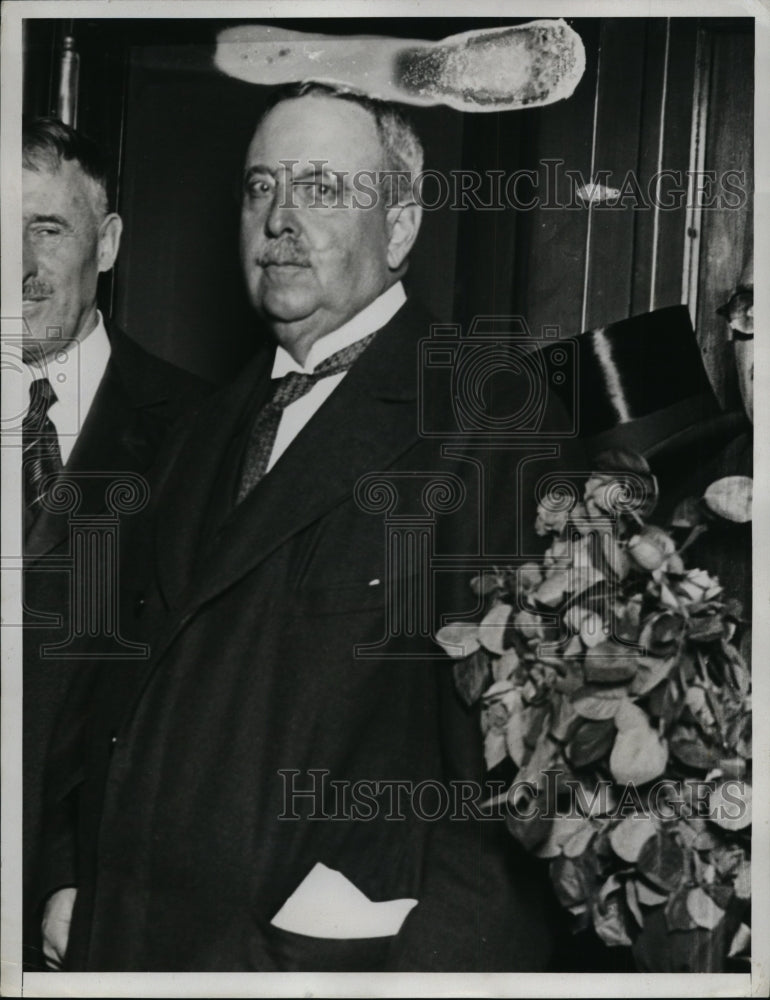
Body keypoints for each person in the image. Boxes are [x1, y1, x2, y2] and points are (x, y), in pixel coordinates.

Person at [40, 84, 581, 972]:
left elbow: (511, 797)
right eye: (262, 187)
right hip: (122, 948)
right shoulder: (193, 431)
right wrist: (65, 877)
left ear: (400, 228)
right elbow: (104, 680)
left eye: (324, 188)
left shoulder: (489, 423)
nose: (282, 218)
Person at [21, 117, 211, 969]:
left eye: (46, 227)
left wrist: (76, 875)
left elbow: (196, 703)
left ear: (108, 243)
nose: (14, 263)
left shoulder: (201, 435)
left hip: (91, 909)